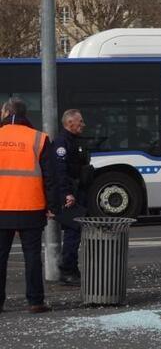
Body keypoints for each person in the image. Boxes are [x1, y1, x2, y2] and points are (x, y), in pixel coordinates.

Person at [0, 98, 60, 313]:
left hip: (1, 207)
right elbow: (50, 177)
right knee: (32, 256)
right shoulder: (39, 138)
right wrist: (52, 205)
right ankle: (35, 301)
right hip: (31, 206)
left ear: (6, 112)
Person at [54, 109, 92, 285]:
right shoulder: (62, 142)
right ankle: (67, 270)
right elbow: (60, 171)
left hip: (78, 191)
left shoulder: (74, 141)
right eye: (80, 121)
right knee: (72, 232)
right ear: (70, 123)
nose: (83, 124)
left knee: (76, 231)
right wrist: (67, 193)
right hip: (71, 193)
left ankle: (72, 268)